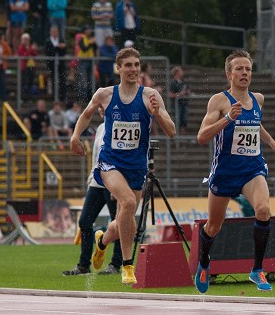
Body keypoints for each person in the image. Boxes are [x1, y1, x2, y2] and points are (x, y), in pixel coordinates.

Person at [69, 47, 176, 285]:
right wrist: (75, 136)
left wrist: (157, 114)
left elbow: (171, 131)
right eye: (128, 65)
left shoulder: (151, 96)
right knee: (127, 203)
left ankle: (102, 241)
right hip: (109, 163)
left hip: (135, 166)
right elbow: (86, 115)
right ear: (119, 68)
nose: (133, 69)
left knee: (125, 220)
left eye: (137, 65)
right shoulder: (105, 94)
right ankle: (128, 265)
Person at [194, 50, 275, 294]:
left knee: (264, 209)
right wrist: (227, 118)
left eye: (248, 69)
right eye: (239, 69)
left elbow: (255, 125)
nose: (245, 73)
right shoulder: (219, 101)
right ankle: (204, 264)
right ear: (229, 74)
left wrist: (273, 144)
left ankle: (257, 269)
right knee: (214, 226)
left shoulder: (258, 99)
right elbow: (202, 137)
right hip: (225, 172)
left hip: (252, 169)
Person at [63, 121, 124, 276]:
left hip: (113, 183)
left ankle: (116, 264)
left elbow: (121, 157)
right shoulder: (101, 127)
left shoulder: (120, 125)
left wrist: (118, 185)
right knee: (84, 221)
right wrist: (91, 178)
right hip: (97, 182)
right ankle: (83, 266)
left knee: (118, 223)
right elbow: (97, 157)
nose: (101, 109)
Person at [167, 65, 191, 134]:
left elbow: (188, 90)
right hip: (177, 105)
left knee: (184, 120)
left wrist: (187, 92)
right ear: (177, 72)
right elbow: (170, 94)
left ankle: (182, 135)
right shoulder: (173, 83)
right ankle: (176, 135)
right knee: (177, 120)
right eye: (180, 71)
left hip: (184, 103)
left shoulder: (183, 82)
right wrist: (180, 94)